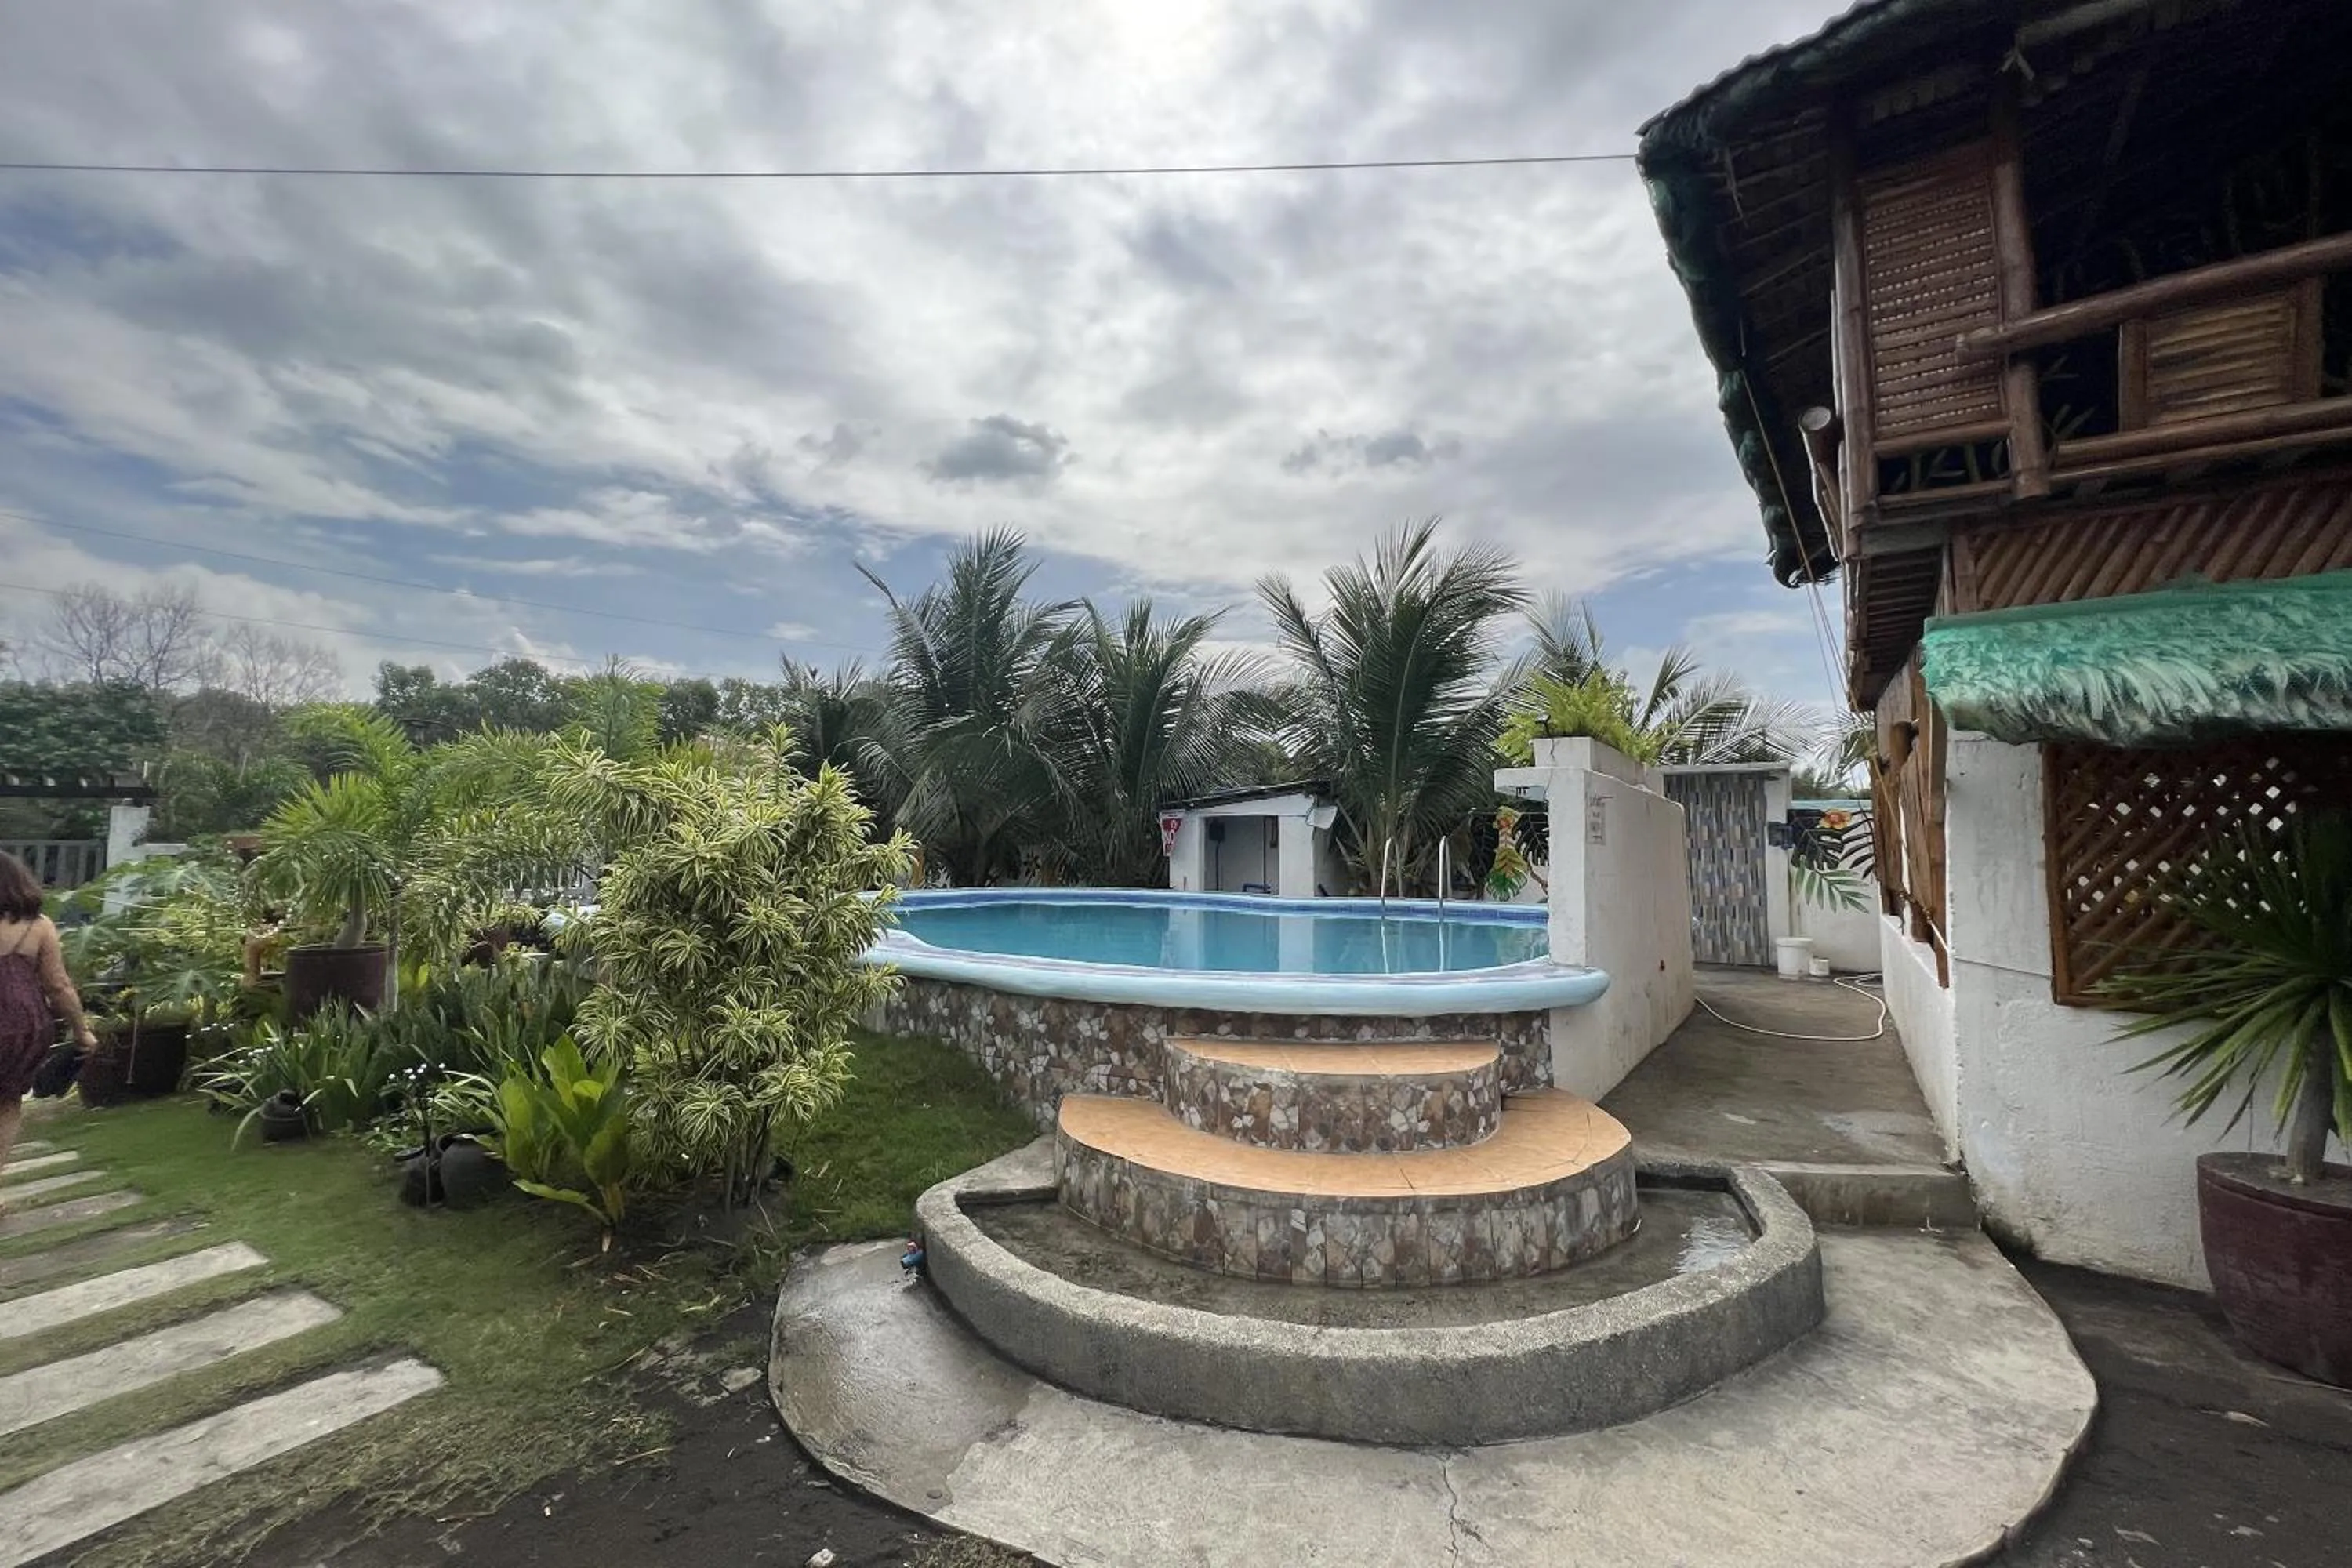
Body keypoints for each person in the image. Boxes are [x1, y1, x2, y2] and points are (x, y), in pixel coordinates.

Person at [0, 852, 98, 1199]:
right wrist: (81, 1029)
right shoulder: (38, 926)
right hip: (23, 1026)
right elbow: (58, 985)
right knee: (8, 1102)